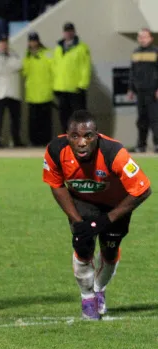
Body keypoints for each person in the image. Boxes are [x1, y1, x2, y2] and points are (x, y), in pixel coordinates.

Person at [42, 110, 151, 320]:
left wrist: (107, 219)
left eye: (88, 136)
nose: (82, 142)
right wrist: (77, 220)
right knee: (83, 246)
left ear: (97, 136)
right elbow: (56, 185)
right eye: (75, 136)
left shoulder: (114, 153)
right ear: (67, 136)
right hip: (83, 202)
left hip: (116, 206)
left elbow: (143, 189)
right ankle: (87, 298)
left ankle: (99, 288)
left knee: (109, 254)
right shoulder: (55, 150)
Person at [53, 22, 92, 131]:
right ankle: (66, 138)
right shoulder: (58, 48)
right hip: (62, 88)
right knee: (64, 116)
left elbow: (86, 67)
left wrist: (82, 85)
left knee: (79, 117)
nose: (68, 33)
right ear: (63, 33)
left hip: (76, 89)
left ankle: (82, 137)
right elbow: (55, 67)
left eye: (70, 31)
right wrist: (55, 86)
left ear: (74, 32)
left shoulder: (82, 47)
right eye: (66, 31)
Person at [0, 34, 23, 148]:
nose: (3, 44)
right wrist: (9, 65)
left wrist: (7, 64)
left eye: (5, 42)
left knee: (15, 119)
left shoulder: (14, 54)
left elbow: (19, 64)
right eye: (1, 42)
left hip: (13, 92)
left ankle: (16, 141)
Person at [127, 28, 158, 153]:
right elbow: (132, 72)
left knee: (155, 119)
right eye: (140, 37)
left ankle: (157, 144)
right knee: (141, 120)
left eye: (145, 36)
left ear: (151, 38)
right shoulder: (136, 53)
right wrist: (130, 89)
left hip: (153, 91)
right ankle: (141, 145)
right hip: (140, 91)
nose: (142, 39)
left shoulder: (156, 52)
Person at [23, 31, 54, 147]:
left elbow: (53, 70)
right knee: (33, 121)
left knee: (45, 120)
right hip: (32, 93)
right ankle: (34, 141)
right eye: (31, 41)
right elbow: (25, 71)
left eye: (34, 40)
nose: (33, 43)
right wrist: (28, 56)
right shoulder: (28, 56)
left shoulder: (47, 54)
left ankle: (46, 141)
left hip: (45, 92)